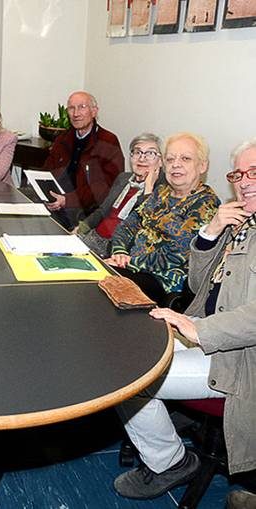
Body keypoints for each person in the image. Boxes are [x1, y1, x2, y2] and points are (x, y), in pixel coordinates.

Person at [113, 137, 256, 501]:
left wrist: (198, 327)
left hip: (236, 360)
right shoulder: (240, 218)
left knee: (127, 375)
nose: (245, 181)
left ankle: (170, 462)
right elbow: (197, 282)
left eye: (254, 172)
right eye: (239, 173)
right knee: (117, 354)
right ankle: (167, 443)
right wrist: (210, 233)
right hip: (202, 335)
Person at [105, 132, 220, 305]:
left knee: (99, 280)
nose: (176, 165)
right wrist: (120, 252)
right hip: (132, 268)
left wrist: (129, 262)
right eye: (170, 159)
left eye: (185, 159)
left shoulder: (206, 203)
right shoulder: (160, 192)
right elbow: (128, 225)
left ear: (202, 166)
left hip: (162, 282)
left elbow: (178, 254)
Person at [42, 91, 125, 229]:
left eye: (82, 107)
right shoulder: (63, 139)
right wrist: (44, 192)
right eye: (71, 108)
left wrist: (68, 200)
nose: (76, 113)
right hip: (57, 201)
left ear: (94, 112)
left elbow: (105, 188)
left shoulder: (108, 141)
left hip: (86, 210)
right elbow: (48, 170)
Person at [73, 132, 163, 257]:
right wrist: (80, 229)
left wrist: (148, 186)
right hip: (93, 237)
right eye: (137, 152)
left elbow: (146, 224)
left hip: (115, 250)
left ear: (160, 162)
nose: (142, 158)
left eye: (150, 153)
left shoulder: (162, 190)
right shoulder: (123, 178)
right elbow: (102, 211)